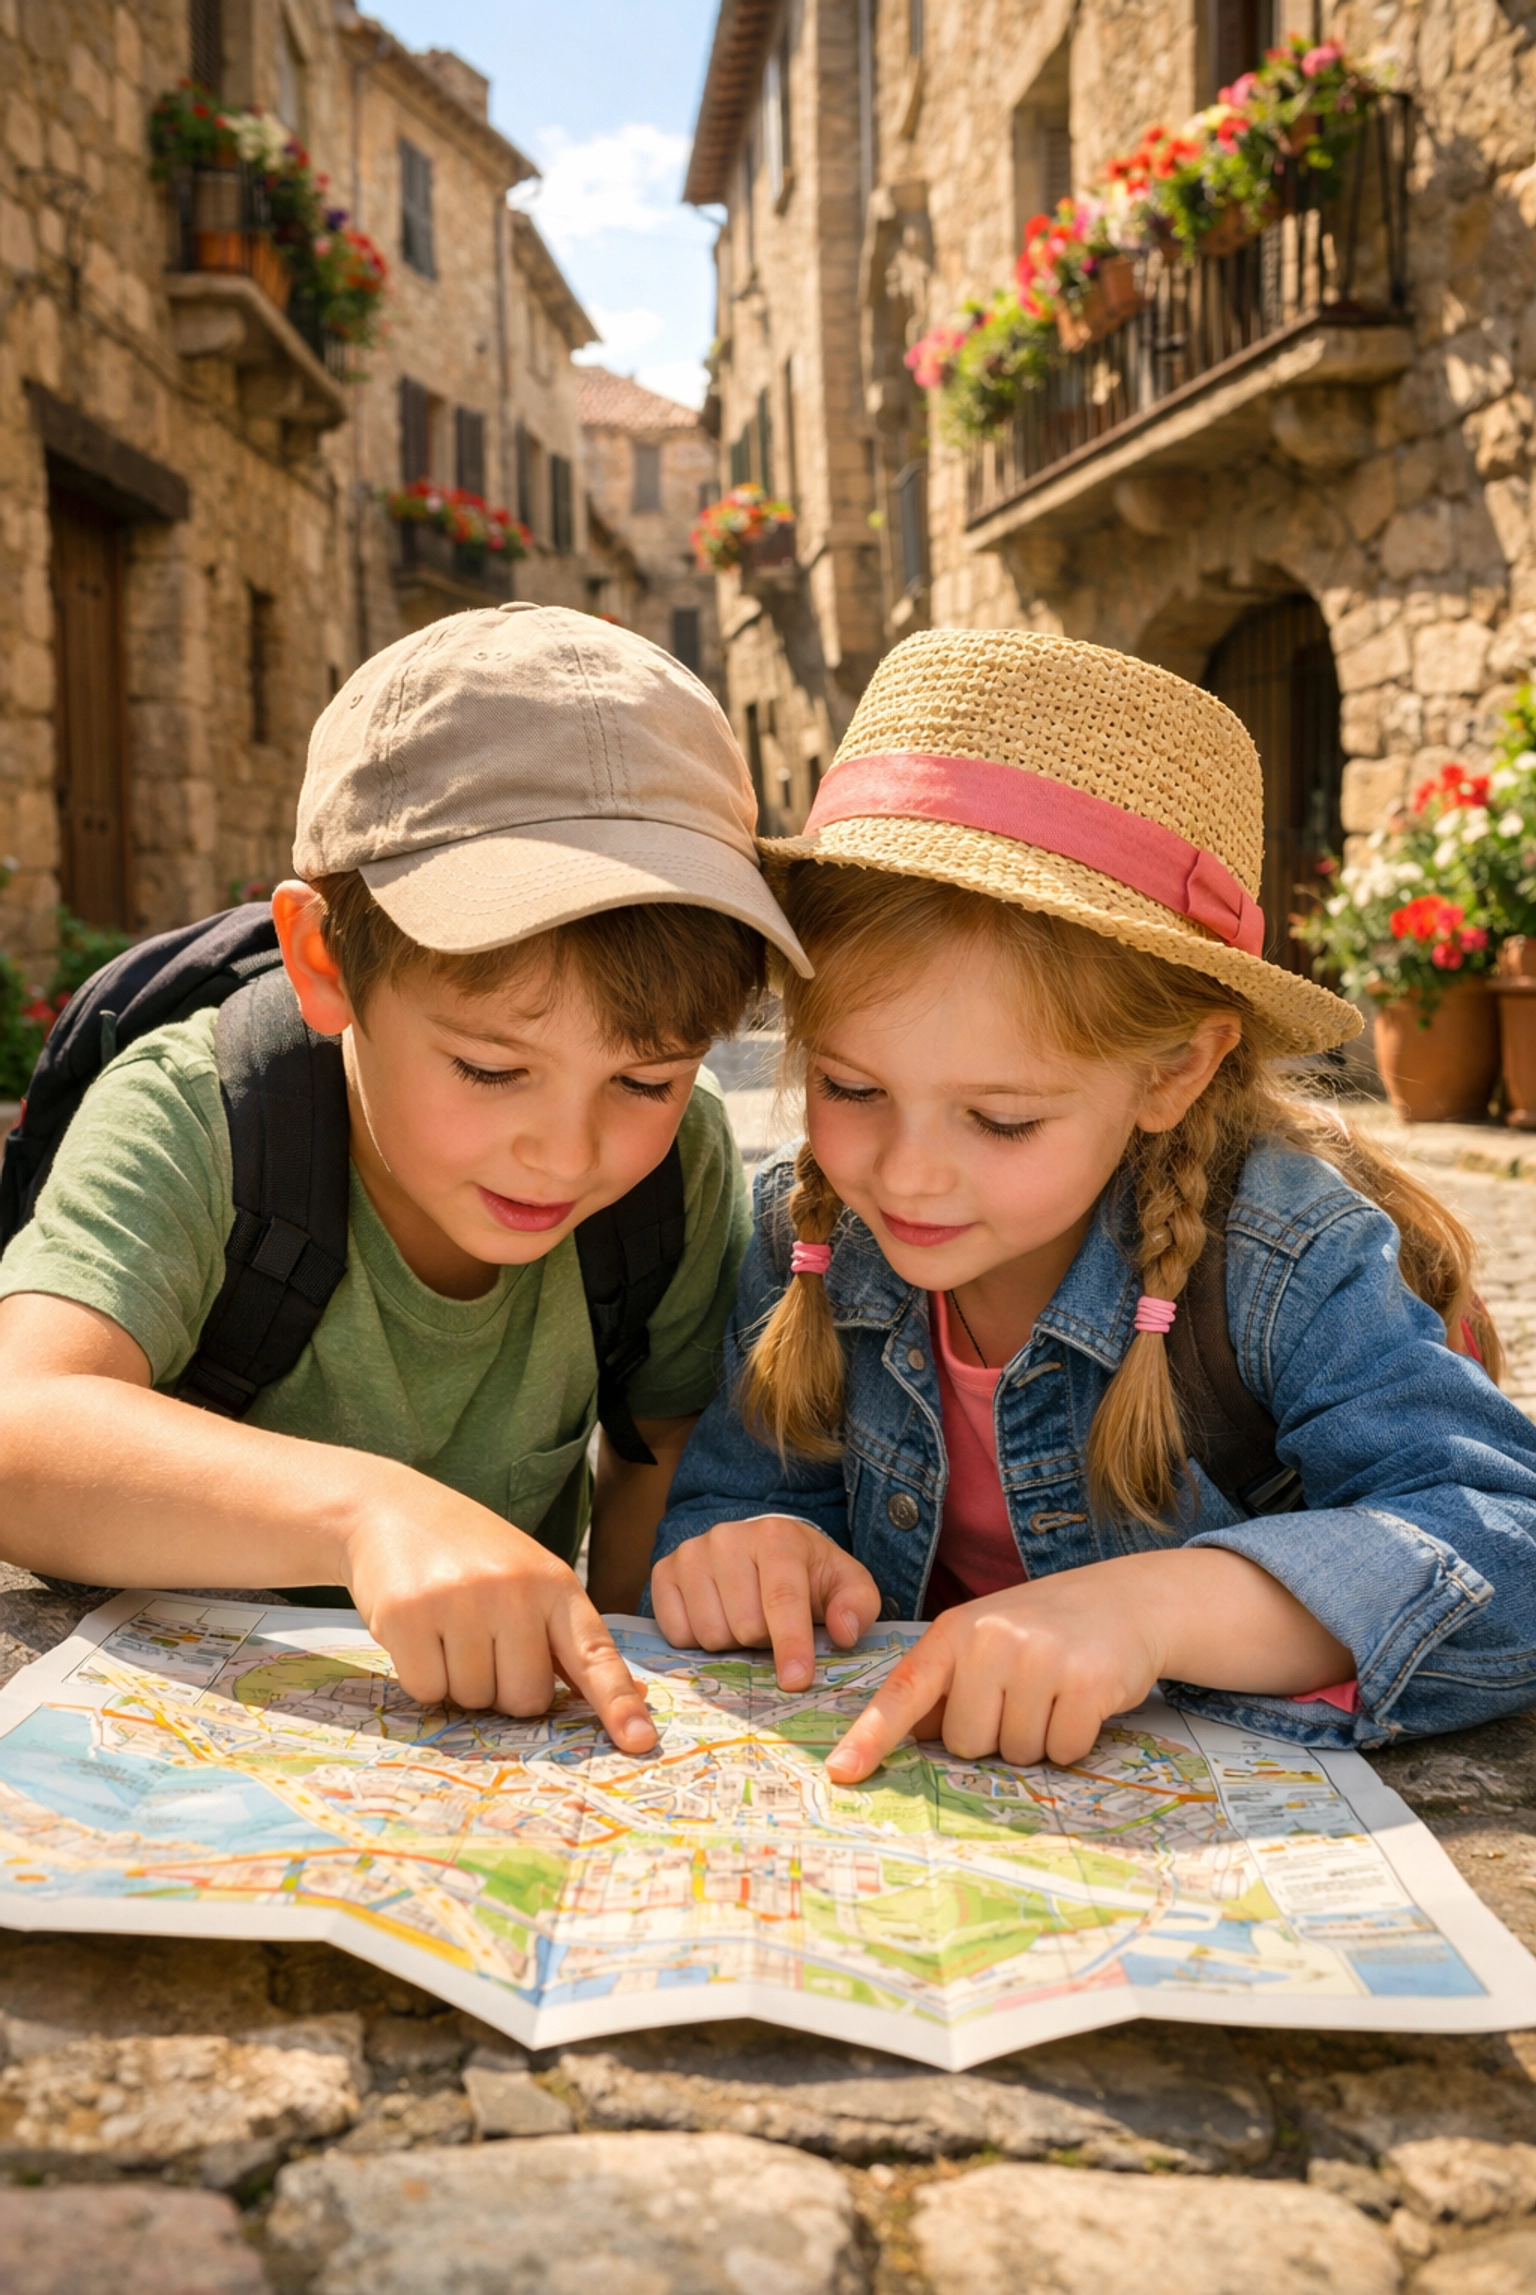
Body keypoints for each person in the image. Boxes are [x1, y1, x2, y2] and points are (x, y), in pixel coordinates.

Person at [649, 627, 1536, 1783]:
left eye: (1002, 1119)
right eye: (852, 1089)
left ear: (1174, 1071)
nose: (907, 1176)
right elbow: (743, 1494)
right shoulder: (809, 1230)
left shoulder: (1277, 1259)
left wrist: (1156, 1611)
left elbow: (1506, 1554)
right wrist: (755, 1549)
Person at [0, 603, 809, 1757]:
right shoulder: (203, 1118)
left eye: (645, 1080)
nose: (566, 1152)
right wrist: (366, 1514)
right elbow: (22, 1426)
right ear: (324, 960)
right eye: (490, 1068)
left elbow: (656, 1456)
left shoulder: (674, 1170)